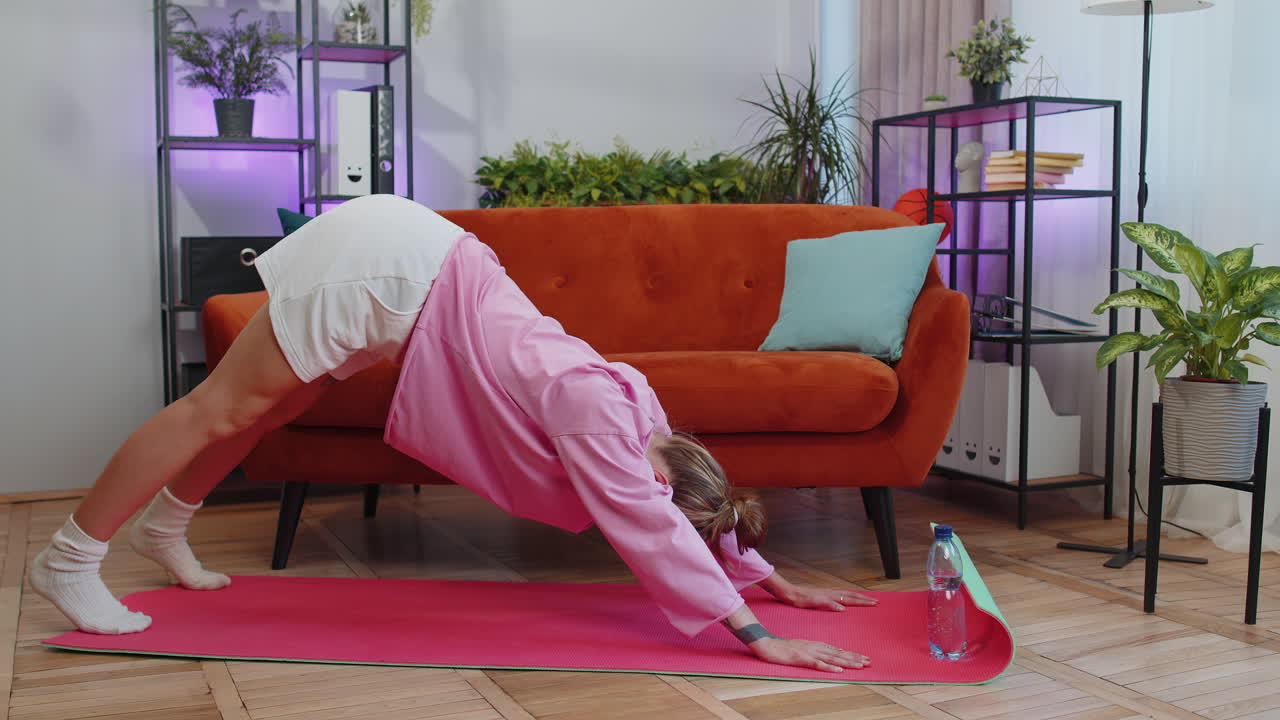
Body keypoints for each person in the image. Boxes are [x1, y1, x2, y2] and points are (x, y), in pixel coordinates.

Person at [31, 195, 876, 673]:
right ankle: (69, 560)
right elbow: (654, 529)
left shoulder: (645, 413)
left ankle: (164, 528)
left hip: (416, 262)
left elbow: (685, 513)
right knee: (216, 408)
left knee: (269, 408)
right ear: (663, 481)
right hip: (391, 272)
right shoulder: (601, 419)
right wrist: (759, 635)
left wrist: (769, 579)